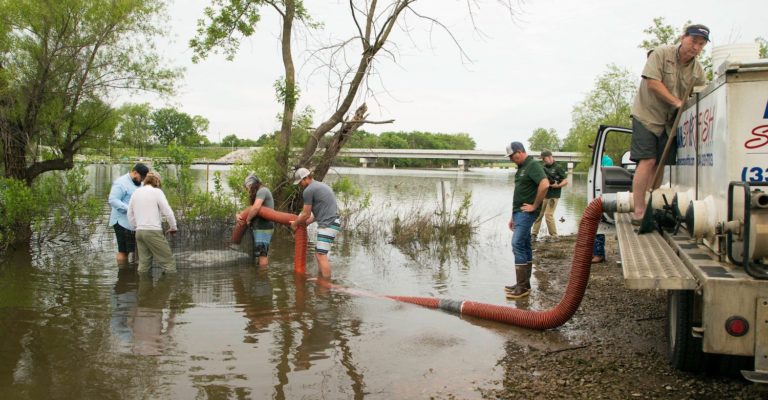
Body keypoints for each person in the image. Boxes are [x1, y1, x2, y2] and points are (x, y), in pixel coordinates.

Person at [630, 24, 709, 224]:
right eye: (693, 41)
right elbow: (652, 83)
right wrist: (676, 102)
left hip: (670, 122)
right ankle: (638, 210)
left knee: (659, 165)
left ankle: (650, 204)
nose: (696, 47)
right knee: (647, 160)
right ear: (683, 38)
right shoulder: (661, 53)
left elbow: (701, 96)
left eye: (701, 44)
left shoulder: (698, 71)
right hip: (646, 115)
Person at [505, 142, 549, 299]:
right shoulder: (521, 168)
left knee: (516, 243)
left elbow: (545, 184)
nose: (511, 159)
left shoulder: (532, 165)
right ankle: (524, 284)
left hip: (526, 213)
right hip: (518, 213)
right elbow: (520, 193)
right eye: (509, 157)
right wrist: (513, 216)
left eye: (512, 156)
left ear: (519, 151)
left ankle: (522, 287)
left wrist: (535, 205)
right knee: (524, 244)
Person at [289, 168, 341, 278]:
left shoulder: (309, 190)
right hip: (333, 223)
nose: (300, 185)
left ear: (305, 178)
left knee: (321, 255)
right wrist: (307, 222)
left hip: (328, 225)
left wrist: (295, 224)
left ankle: (326, 283)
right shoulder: (320, 185)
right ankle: (322, 279)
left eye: (300, 182)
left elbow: (305, 214)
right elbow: (321, 212)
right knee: (319, 254)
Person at [127, 171, 178, 274]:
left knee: (144, 265)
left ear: (145, 180)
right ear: (157, 181)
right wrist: (173, 227)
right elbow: (168, 212)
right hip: (153, 231)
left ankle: (143, 284)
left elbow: (129, 213)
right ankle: (169, 283)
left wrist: (136, 226)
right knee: (169, 264)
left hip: (139, 232)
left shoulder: (136, 192)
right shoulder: (157, 192)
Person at [108, 163, 149, 265]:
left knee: (136, 249)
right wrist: (131, 209)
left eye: (144, 178)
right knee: (124, 252)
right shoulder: (120, 183)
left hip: (134, 223)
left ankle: (132, 271)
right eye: (141, 177)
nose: (142, 180)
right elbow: (113, 200)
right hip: (122, 222)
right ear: (134, 172)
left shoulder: (141, 184)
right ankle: (123, 272)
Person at [237, 173, 275, 267]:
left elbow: (255, 208)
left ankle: (262, 274)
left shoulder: (262, 191)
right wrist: (238, 215)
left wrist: (248, 219)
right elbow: (250, 209)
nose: (248, 190)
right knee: (260, 253)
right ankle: (260, 273)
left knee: (262, 254)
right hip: (259, 227)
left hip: (264, 227)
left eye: (248, 187)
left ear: (252, 184)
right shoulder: (258, 193)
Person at [531, 150, 568, 242]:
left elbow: (565, 181)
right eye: (542, 159)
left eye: (544, 158)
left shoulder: (558, 167)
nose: (543, 160)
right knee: (539, 214)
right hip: (544, 195)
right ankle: (534, 234)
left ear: (549, 157)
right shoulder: (543, 168)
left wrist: (558, 185)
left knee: (548, 215)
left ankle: (554, 236)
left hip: (554, 195)